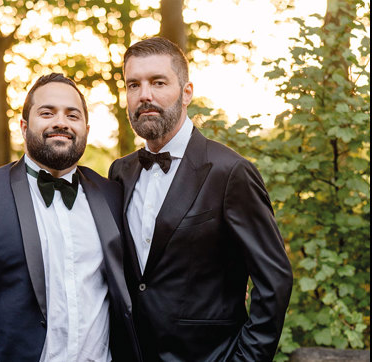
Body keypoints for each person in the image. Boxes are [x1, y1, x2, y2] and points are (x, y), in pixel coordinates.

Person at [0, 73, 141, 361]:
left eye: (72, 115)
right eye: (47, 112)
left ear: (86, 129)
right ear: (24, 126)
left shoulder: (113, 195)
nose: (61, 122)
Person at [108, 37, 293, 361]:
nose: (144, 95)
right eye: (133, 84)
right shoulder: (119, 173)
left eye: (158, 82)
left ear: (187, 92)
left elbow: (274, 281)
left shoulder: (230, 172)